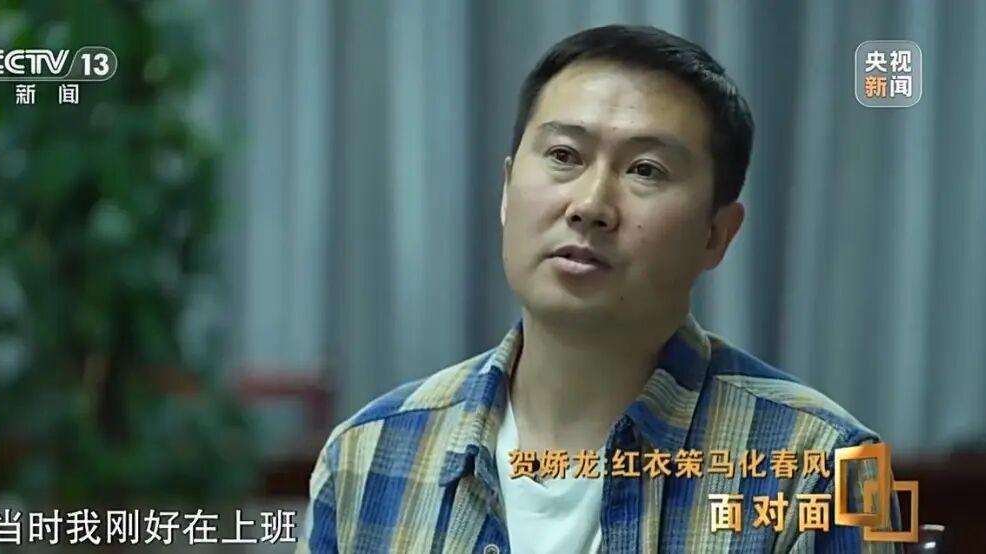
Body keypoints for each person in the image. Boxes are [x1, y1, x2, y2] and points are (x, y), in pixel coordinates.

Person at [299, 24, 900, 553]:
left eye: (646, 170)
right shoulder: (367, 457)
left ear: (717, 234)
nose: (589, 205)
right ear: (507, 191)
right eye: (564, 155)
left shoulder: (824, 469)